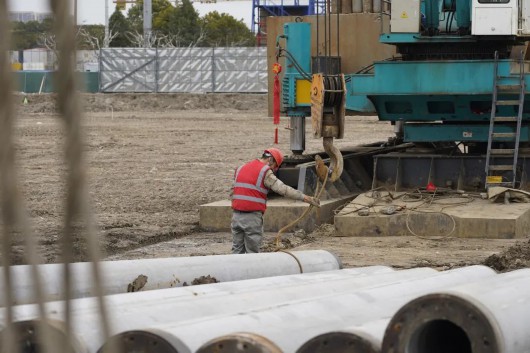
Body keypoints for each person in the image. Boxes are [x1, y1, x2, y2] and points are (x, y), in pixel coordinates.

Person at [231, 147, 320, 254]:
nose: (273, 170)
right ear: (270, 160)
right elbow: (283, 189)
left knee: (236, 253)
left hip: (236, 217)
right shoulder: (264, 171)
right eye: (274, 167)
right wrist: (306, 198)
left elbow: (235, 191)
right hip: (252, 219)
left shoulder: (241, 168)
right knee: (252, 254)